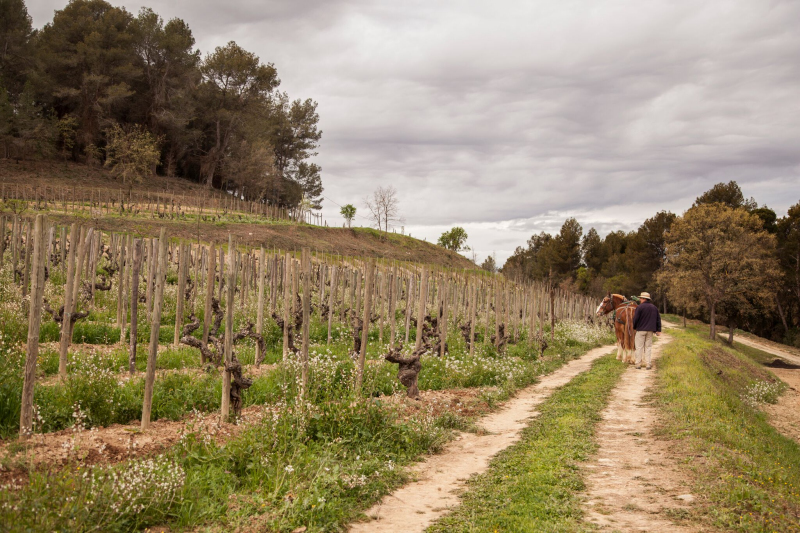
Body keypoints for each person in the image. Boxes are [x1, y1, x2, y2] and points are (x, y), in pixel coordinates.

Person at [632, 291, 661, 370]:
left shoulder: (639, 307)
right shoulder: (654, 308)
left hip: (641, 330)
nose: (640, 299)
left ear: (643, 299)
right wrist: (658, 330)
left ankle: (638, 364)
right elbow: (658, 319)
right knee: (648, 347)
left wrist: (634, 327)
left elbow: (635, 319)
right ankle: (648, 364)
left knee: (639, 347)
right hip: (650, 330)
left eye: (640, 298)